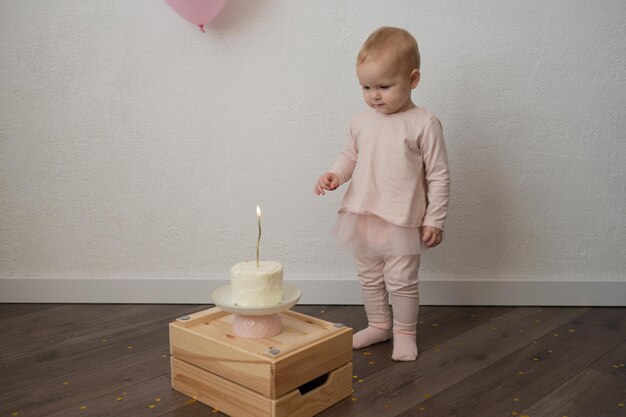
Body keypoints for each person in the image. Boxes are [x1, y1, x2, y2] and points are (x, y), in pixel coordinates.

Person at [314, 27, 450, 361]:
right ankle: (378, 324)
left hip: (401, 217)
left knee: (401, 280)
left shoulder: (423, 123)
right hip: (363, 212)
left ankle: (404, 331)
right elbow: (350, 157)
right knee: (369, 275)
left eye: (385, 87)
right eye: (366, 87)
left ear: (413, 78)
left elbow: (438, 174)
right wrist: (335, 174)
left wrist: (435, 217)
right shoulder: (361, 122)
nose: (375, 96)